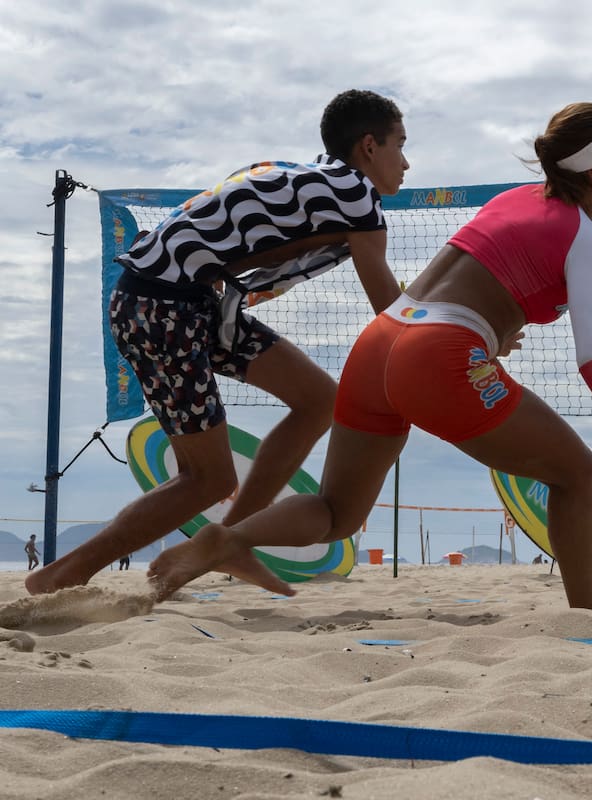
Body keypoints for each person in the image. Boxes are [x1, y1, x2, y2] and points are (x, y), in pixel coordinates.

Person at [148, 103, 592, 612]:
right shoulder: (586, 243)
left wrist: (486, 339)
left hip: (381, 341)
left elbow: (479, 289)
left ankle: (225, 538)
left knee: (336, 512)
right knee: (578, 472)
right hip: (437, 354)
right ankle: (589, 618)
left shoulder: (512, 200)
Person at [26, 90, 408, 597]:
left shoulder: (307, 177)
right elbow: (392, 311)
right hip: (162, 304)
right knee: (205, 479)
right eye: (400, 145)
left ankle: (228, 542)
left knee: (319, 401)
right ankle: (60, 576)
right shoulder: (356, 194)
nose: (406, 163)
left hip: (193, 304)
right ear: (368, 146)